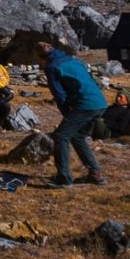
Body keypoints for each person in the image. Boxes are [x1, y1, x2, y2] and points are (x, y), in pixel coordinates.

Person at [35, 39, 108, 186]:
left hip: (84, 105)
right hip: (100, 102)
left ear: (41, 57)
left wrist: (66, 113)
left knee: (61, 136)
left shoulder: (52, 67)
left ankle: (64, 179)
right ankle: (96, 174)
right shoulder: (74, 61)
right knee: (78, 136)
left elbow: (59, 94)